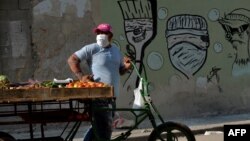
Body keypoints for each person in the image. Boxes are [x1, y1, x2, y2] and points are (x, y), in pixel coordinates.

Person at [67, 23, 131, 140]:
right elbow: (72, 59)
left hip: (112, 98)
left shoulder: (116, 51)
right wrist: (81, 77)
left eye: (104, 33)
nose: (101, 35)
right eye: (99, 33)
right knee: (104, 132)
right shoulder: (92, 48)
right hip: (99, 98)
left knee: (99, 128)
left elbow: (119, 71)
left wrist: (126, 67)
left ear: (110, 35)